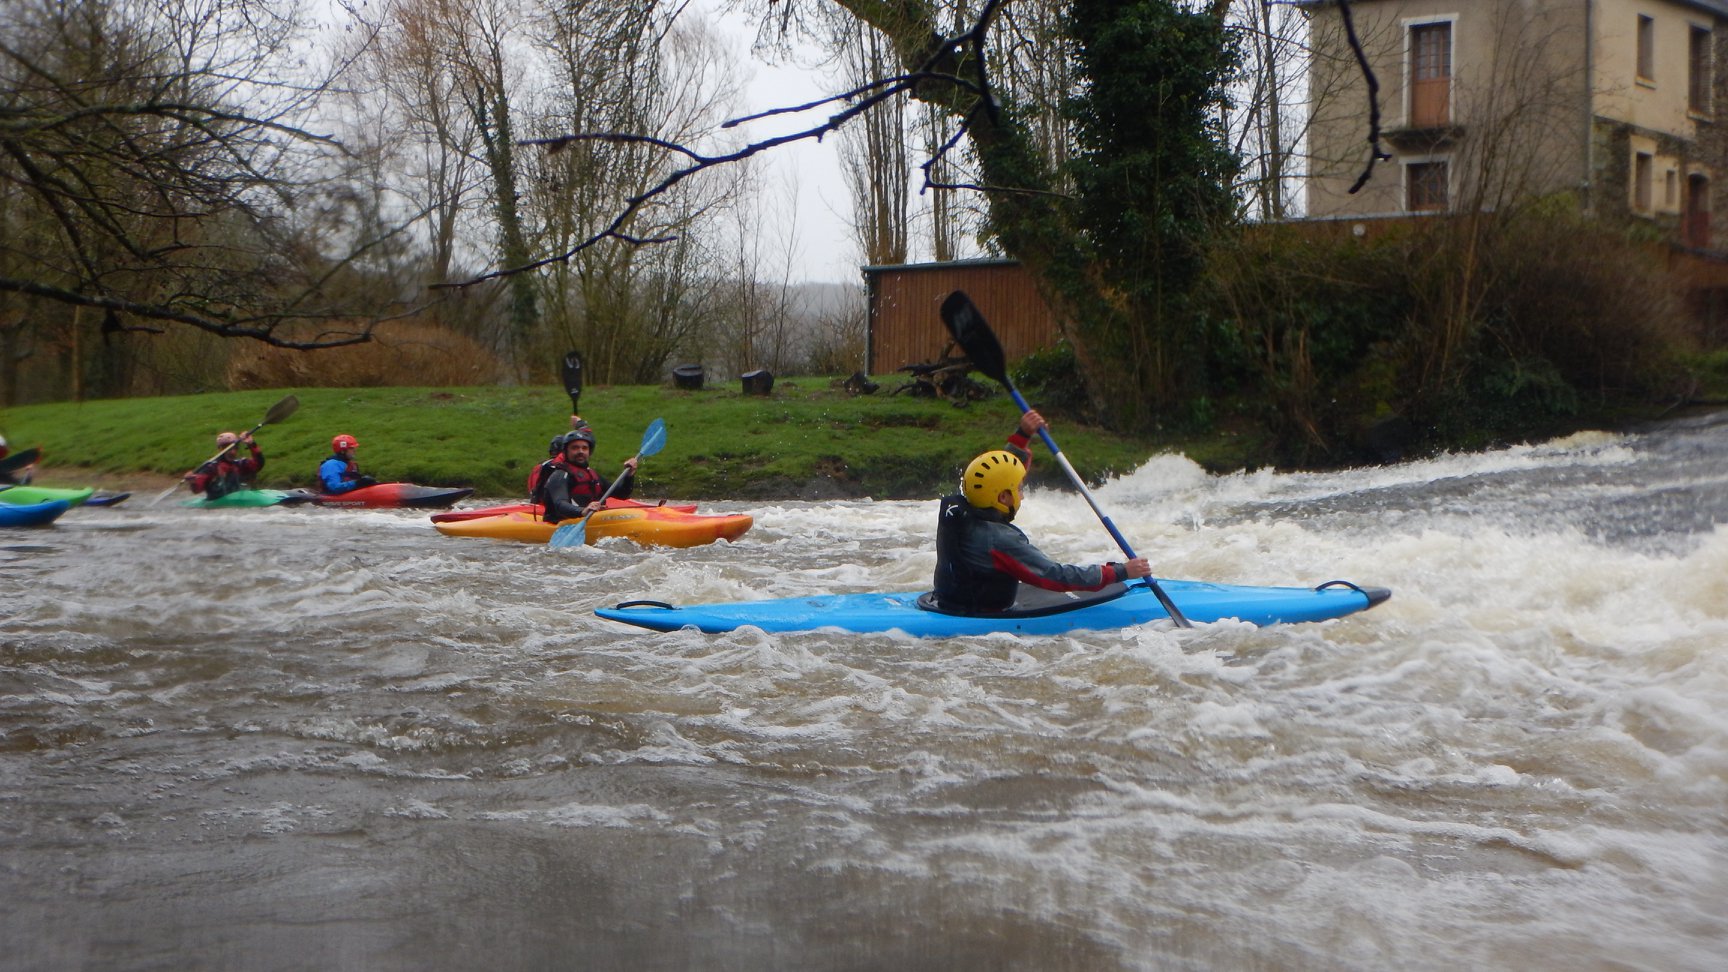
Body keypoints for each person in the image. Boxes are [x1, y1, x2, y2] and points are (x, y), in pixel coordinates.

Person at [931, 410, 1150, 613]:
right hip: (982, 612)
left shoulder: (963, 507)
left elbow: (998, 474)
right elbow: (1054, 576)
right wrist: (1121, 572)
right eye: (1019, 489)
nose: (1022, 495)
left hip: (951, 600)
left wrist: (1022, 435)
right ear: (1003, 498)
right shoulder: (999, 539)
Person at [536, 424, 637, 524]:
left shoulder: (592, 474)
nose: (580, 451)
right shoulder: (559, 475)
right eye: (575, 448)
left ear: (589, 452)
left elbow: (622, 494)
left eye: (584, 448)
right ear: (566, 451)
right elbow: (560, 504)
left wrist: (629, 475)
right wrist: (583, 511)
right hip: (560, 524)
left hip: (589, 522)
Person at [185, 430, 265, 500]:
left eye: (235, 448)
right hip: (217, 500)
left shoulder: (241, 464)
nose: (232, 451)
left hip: (239, 497)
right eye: (228, 448)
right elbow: (197, 489)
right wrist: (193, 482)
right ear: (220, 449)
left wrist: (251, 444)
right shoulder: (211, 467)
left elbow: (259, 464)